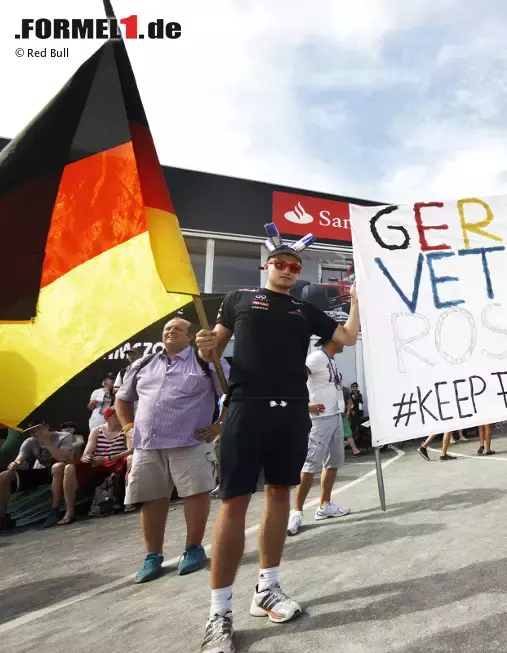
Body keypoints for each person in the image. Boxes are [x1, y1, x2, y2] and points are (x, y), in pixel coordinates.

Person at [195, 240, 360, 653]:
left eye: (294, 266)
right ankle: (219, 614)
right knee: (233, 502)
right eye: (281, 264)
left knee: (279, 496)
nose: (287, 270)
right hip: (246, 407)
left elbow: (350, 337)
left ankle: (266, 589)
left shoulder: (304, 309)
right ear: (267, 265)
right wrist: (205, 347)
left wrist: (357, 300)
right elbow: (214, 344)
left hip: (292, 410)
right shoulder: (239, 299)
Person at [115, 317, 229, 583]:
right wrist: (128, 428)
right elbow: (122, 400)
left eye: (178, 329)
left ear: (190, 337)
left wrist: (218, 426)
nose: (171, 331)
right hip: (147, 445)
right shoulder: (142, 363)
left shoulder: (206, 360)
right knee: (152, 499)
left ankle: (193, 548)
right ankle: (153, 555)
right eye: (167, 328)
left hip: (189, 443)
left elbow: (233, 393)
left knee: (195, 495)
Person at [287, 336, 352, 537]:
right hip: (320, 419)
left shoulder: (331, 360)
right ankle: (297, 511)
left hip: (335, 416)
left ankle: (325, 504)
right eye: (342, 337)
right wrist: (304, 405)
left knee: (333, 462)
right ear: (333, 339)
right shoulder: (316, 358)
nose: (346, 341)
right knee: (311, 464)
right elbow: (292, 379)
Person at [58, 407, 132, 525]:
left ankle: (129, 502)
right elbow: (86, 453)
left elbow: (130, 451)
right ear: (108, 418)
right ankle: (69, 511)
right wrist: (86, 458)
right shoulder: (97, 431)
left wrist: (108, 458)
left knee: (131, 459)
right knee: (69, 468)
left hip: (117, 461)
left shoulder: (126, 430)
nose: (120, 416)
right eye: (116, 414)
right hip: (98, 463)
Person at [0, 420, 77, 529]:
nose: (36, 433)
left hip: (61, 471)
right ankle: (2, 517)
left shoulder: (64, 436)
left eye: (39, 429)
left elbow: (63, 458)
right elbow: (19, 460)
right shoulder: (30, 441)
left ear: (47, 426)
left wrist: (48, 443)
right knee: (4, 475)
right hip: (40, 472)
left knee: (58, 466)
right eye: (32, 432)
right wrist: (14, 465)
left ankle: (55, 509)